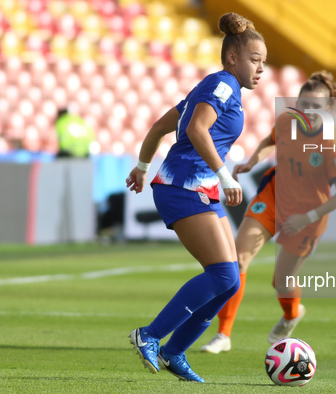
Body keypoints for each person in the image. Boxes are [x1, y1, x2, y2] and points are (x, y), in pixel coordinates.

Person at [125, 12, 266, 382]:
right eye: (255, 60)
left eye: (264, 62)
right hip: (182, 187)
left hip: (197, 188)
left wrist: (141, 166)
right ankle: (150, 335)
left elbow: (159, 127)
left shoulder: (214, 88)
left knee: (230, 279)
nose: (261, 69)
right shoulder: (221, 86)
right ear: (233, 58)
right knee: (222, 273)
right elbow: (196, 128)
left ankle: (174, 352)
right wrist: (224, 175)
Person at [201, 71, 336, 353]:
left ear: (329, 109)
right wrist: (252, 161)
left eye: (316, 107)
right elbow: (268, 142)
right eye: (304, 104)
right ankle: (223, 335)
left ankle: (292, 314)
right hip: (273, 198)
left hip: (308, 217)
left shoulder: (333, 144)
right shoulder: (286, 122)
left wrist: (305, 218)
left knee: (281, 282)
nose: (308, 112)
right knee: (238, 258)